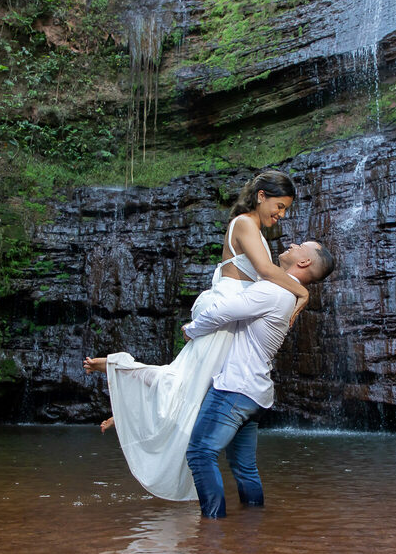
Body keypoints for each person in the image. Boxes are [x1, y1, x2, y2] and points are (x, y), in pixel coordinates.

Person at [83, 170, 309, 501]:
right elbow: (265, 272)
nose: (281, 214)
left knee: (193, 384)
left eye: (286, 209)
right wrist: (303, 294)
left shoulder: (257, 230)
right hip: (224, 314)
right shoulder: (245, 223)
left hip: (232, 318)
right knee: (183, 380)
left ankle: (126, 397)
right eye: (279, 205)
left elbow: (267, 279)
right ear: (261, 196)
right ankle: (120, 375)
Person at [183, 240, 335, 518]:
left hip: (235, 389)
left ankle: (212, 530)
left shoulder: (275, 289)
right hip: (255, 393)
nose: (291, 244)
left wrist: (191, 330)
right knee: (244, 467)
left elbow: (222, 311)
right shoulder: (285, 293)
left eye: (300, 245)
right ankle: (254, 528)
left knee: (200, 453)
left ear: (304, 263)